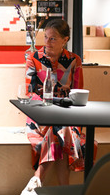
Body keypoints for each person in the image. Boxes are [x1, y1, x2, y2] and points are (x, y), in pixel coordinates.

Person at [21, 19, 95, 194]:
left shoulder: (74, 61)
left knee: (61, 129)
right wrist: (48, 106)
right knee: (60, 130)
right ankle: (64, 190)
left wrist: (64, 107)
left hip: (69, 114)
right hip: (40, 114)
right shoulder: (34, 59)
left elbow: (78, 93)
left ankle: (37, 180)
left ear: (65, 39)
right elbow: (29, 92)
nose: (47, 42)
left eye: (53, 39)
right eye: (46, 37)